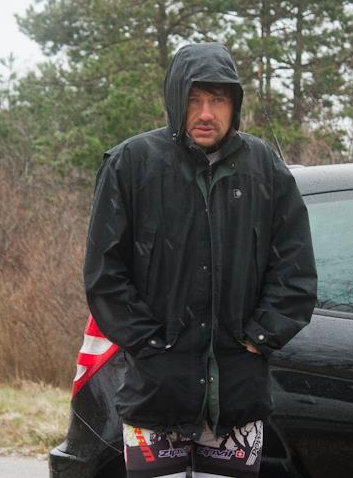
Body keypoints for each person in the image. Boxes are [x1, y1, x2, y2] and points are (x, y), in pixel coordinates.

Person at [84, 42, 318, 478]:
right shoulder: (130, 165)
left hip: (238, 401)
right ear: (176, 100)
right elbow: (105, 274)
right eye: (194, 99)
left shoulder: (264, 168)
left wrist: (259, 338)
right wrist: (150, 346)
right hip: (156, 394)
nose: (206, 113)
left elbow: (295, 269)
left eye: (218, 99)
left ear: (235, 104)